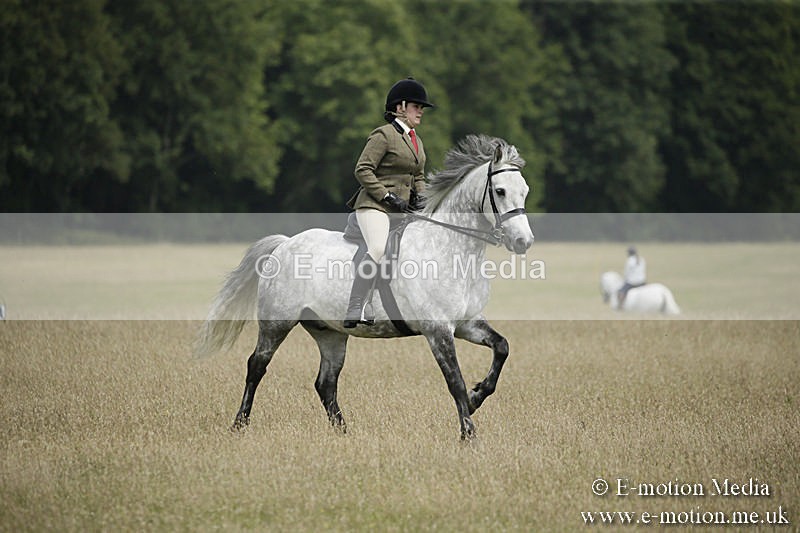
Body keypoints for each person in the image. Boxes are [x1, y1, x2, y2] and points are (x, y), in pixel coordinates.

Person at [343, 77, 433, 328]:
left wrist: (424, 202)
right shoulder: (383, 135)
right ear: (401, 106)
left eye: (422, 108)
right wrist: (385, 195)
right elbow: (363, 169)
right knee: (379, 248)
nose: (421, 112)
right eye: (417, 106)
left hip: (401, 210)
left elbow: (418, 176)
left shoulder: (416, 140)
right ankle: (356, 305)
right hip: (375, 206)